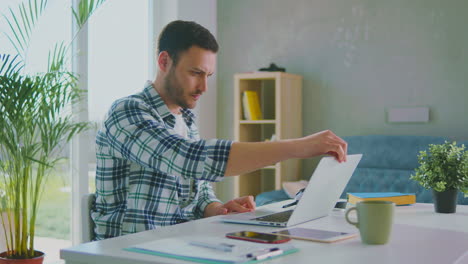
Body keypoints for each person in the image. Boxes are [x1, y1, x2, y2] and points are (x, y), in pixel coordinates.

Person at [91, 20, 347, 240]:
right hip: (129, 250)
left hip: (175, 243)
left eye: (208, 76)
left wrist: (216, 207)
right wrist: (297, 147)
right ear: (164, 61)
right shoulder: (127, 112)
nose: (203, 87)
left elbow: (197, 190)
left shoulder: (186, 119)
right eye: (195, 73)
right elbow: (187, 158)